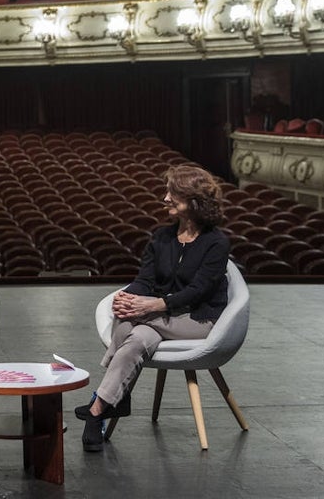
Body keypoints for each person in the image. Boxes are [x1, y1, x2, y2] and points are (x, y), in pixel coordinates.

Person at [76, 163, 231, 453]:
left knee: (135, 319)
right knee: (135, 334)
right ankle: (100, 409)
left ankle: (105, 399)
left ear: (194, 200)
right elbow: (145, 279)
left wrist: (154, 304)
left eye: (173, 192)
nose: (165, 198)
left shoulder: (216, 243)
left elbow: (200, 291)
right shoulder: (161, 237)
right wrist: (127, 296)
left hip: (196, 319)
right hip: (160, 318)